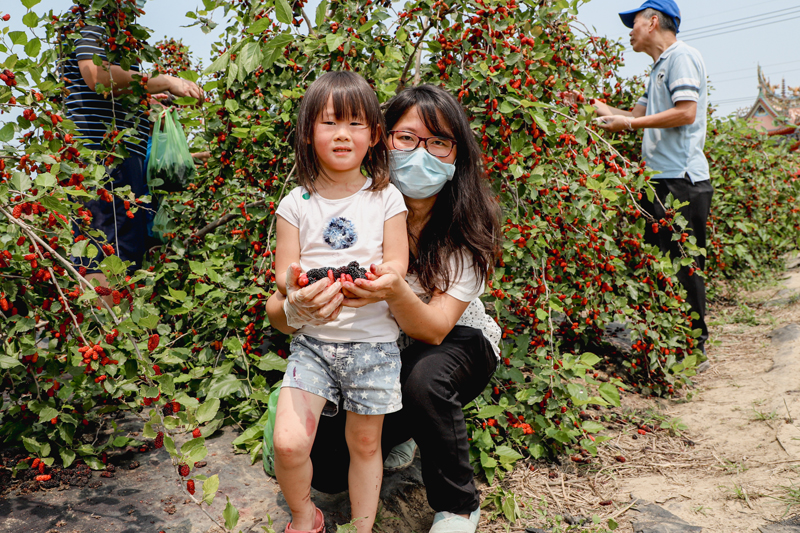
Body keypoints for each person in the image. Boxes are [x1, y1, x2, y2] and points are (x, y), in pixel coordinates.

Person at [266, 84, 503, 533]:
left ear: (457, 154)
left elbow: (433, 328)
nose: (421, 153)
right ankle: (402, 435)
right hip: (374, 346)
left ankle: (457, 505)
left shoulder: (466, 225)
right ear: (383, 138)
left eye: (439, 142)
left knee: (423, 380)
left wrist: (393, 291)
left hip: (453, 338)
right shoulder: (354, 197)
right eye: (407, 138)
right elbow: (277, 306)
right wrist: (297, 307)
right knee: (330, 471)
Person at [271, 71, 409, 533]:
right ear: (309, 134)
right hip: (312, 345)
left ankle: (361, 527)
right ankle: (304, 516)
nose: (342, 134)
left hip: (372, 345)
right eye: (330, 123)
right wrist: (299, 293)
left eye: (355, 123)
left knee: (366, 445)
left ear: (373, 135)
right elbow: (284, 278)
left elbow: (396, 265)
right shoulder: (295, 204)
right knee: (289, 444)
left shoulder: (386, 198)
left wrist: (378, 283)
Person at [590, 0, 713, 358]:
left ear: (653, 22)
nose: (630, 31)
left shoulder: (681, 57)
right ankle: (667, 342)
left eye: (635, 23)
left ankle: (694, 348)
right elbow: (635, 115)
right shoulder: (658, 67)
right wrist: (596, 106)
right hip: (659, 181)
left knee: (685, 265)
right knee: (659, 262)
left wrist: (627, 123)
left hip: (683, 181)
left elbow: (685, 112)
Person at [63, 1, 203, 298]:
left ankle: (118, 341)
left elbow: (112, 90)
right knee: (101, 260)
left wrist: (145, 99)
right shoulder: (93, 16)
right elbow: (95, 77)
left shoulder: (116, 30)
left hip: (122, 162)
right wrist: (162, 81)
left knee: (124, 261)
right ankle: (103, 339)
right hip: (103, 161)